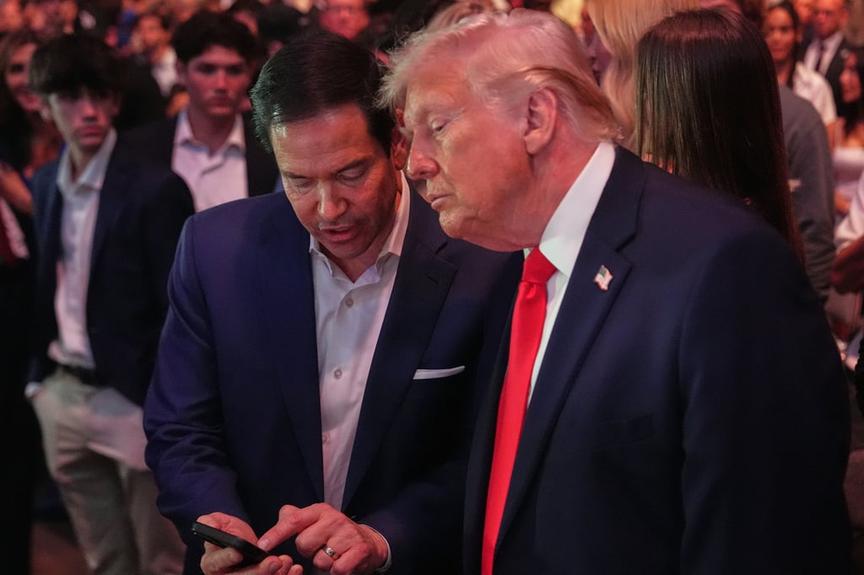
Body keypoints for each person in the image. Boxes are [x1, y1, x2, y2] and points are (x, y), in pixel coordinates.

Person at [382, 9, 850, 574]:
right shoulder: (516, 261)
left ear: (535, 117)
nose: (415, 164)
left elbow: (761, 542)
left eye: (437, 127)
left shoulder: (725, 267)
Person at [143, 30, 520, 575]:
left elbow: (487, 452)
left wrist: (383, 537)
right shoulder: (213, 250)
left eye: (350, 174)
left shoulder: (486, 260)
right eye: (298, 181)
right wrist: (220, 525)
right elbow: (180, 426)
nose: (328, 209)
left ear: (397, 144)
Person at [27, 33, 193, 575]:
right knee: (103, 559)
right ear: (46, 106)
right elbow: (45, 286)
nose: (89, 111)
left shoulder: (155, 187)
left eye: (100, 95)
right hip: (62, 389)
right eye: (71, 98)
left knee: (162, 559)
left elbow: (177, 308)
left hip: (133, 399)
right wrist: (38, 384)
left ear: (117, 101)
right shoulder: (46, 181)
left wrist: (159, 405)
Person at [125, 10, 278, 212]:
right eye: (207, 69)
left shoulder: (273, 151)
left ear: (249, 73)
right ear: (180, 71)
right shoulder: (140, 149)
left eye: (234, 70)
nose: (221, 84)